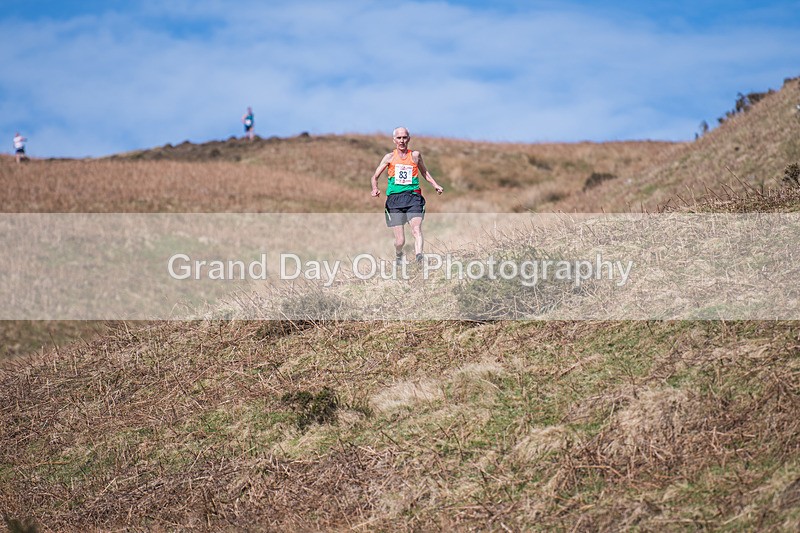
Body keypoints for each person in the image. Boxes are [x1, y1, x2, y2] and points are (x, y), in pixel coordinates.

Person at [370, 127, 444, 265]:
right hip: (394, 200)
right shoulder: (389, 157)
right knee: (400, 241)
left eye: (404, 137)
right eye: (399, 138)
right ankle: (399, 254)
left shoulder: (415, 156)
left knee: (416, 229)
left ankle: (419, 257)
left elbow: (425, 172)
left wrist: (435, 185)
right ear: (394, 140)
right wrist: (375, 189)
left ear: (409, 139)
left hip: (413, 197)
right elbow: (374, 177)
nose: (402, 140)